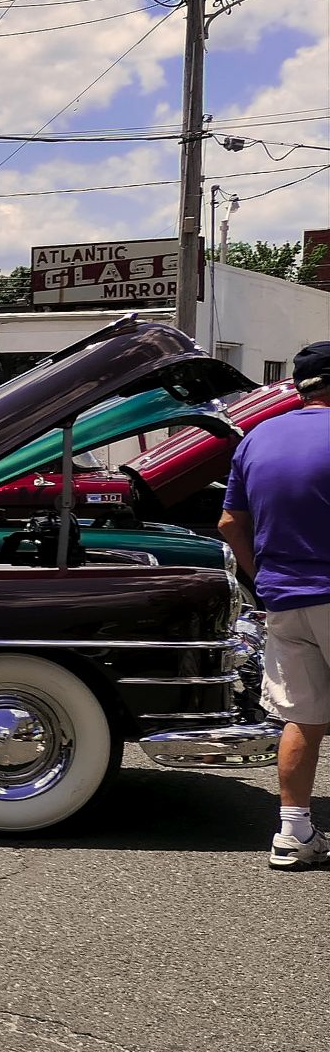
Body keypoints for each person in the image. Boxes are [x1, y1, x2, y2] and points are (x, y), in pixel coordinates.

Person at [219, 337, 330, 869]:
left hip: (284, 598)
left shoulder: (257, 437)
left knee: (302, 718)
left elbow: (228, 523)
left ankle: (293, 834)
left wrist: (263, 579)